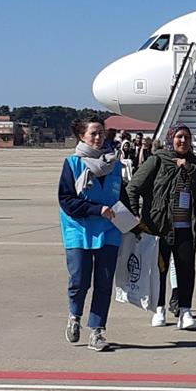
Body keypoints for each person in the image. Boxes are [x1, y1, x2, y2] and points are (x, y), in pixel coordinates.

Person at [126, 124, 196, 330]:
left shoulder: (195, 163)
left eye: (186, 137)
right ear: (171, 139)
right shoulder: (158, 160)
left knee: (187, 270)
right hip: (159, 228)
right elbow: (133, 187)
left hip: (186, 228)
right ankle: (159, 308)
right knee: (159, 270)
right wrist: (134, 216)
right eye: (179, 137)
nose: (183, 141)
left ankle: (185, 310)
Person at [58, 116, 137, 352]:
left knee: (103, 284)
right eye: (93, 133)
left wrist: (134, 222)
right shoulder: (72, 164)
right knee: (79, 281)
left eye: (101, 133)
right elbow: (66, 200)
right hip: (79, 232)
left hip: (109, 232)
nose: (98, 137)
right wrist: (96, 209)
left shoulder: (114, 166)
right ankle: (74, 316)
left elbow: (121, 198)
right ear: (82, 136)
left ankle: (97, 330)